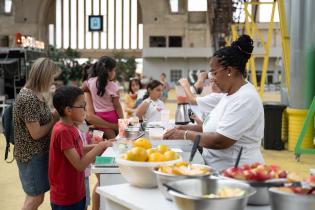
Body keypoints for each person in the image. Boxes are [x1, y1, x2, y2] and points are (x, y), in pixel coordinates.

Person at [164, 35, 265, 171]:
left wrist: (185, 135)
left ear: (229, 71)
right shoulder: (228, 95)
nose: (211, 79)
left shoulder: (245, 98)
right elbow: (211, 128)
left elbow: (220, 141)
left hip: (236, 172)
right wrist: (181, 129)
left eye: (214, 73)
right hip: (217, 168)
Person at [49, 86, 112, 210]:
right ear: (68, 110)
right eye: (82, 106)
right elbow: (79, 164)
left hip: (76, 191)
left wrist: (102, 145)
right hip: (65, 198)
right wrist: (99, 147)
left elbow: (79, 149)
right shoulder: (63, 131)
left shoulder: (72, 127)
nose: (85, 110)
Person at [13, 58, 60, 210]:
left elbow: (39, 120)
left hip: (36, 153)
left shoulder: (35, 94)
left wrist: (54, 114)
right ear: (44, 76)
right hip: (31, 155)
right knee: (35, 198)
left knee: (35, 196)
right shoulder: (29, 99)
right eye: (51, 76)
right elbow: (36, 133)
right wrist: (54, 120)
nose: (53, 80)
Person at [82, 56, 124, 139]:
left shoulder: (90, 82)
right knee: (118, 138)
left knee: (111, 139)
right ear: (109, 71)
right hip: (112, 115)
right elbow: (117, 105)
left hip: (99, 116)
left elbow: (83, 86)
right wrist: (122, 118)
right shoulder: (113, 86)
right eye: (114, 70)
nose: (115, 72)